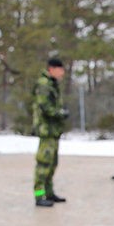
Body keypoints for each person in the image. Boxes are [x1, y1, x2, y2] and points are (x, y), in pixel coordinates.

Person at [31, 57, 68, 207]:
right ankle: (39, 196)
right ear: (51, 69)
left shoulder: (52, 84)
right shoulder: (44, 85)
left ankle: (49, 193)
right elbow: (45, 107)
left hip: (53, 131)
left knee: (52, 164)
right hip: (46, 130)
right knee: (43, 164)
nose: (62, 73)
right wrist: (61, 113)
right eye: (60, 70)